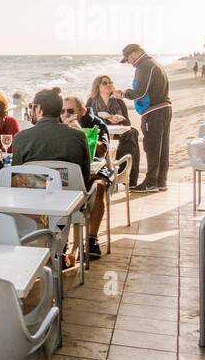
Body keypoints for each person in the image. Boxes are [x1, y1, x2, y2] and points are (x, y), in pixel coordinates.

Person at [10, 88, 95, 265]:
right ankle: (60, 249)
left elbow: (16, 179)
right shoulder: (78, 136)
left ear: (38, 109)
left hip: (34, 205)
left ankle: (36, 250)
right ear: (59, 109)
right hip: (70, 203)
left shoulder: (21, 138)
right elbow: (84, 175)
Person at [115, 43, 172, 192]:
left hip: (154, 110)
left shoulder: (144, 66)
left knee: (152, 146)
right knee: (162, 147)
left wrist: (123, 94)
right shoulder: (153, 63)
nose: (128, 63)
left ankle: (151, 182)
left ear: (134, 54)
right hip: (164, 108)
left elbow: (140, 92)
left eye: (127, 59)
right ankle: (161, 181)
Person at [62, 95, 111, 261]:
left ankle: (91, 239)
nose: (65, 114)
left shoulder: (96, 123)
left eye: (70, 111)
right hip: (68, 171)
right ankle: (61, 244)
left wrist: (80, 133)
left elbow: (103, 150)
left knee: (99, 187)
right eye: (62, 111)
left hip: (93, 171)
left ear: (82, 111)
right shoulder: (57, 124)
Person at [87, 73, 140, 185]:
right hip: (100, 132)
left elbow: (127, 123)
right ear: (98, 86)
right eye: (105, 83)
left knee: (133, 133)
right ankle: (111, 171)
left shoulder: (118, 100)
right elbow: (86, 121)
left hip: (117, 131)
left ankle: (127, 173)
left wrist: (120, 118)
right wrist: (99, 117)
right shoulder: (91, 101)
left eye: (110, 82)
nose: (108, 84)